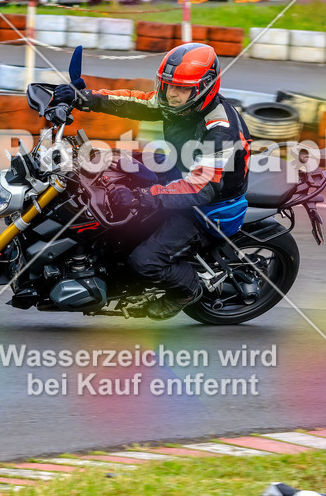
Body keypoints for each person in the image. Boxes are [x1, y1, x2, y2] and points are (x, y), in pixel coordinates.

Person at [52, 43, 251, 320]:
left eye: (181, 88)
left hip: (209, 206)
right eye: (167, 85)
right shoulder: (179, 103)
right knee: (112, 165)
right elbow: (135, 101)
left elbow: (201, 188)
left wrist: (144, 196)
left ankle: (187, 291)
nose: (171, 94)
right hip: (178, 171)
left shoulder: (221, 131)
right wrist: (84, 98)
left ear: (204, 87)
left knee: (144, 261)